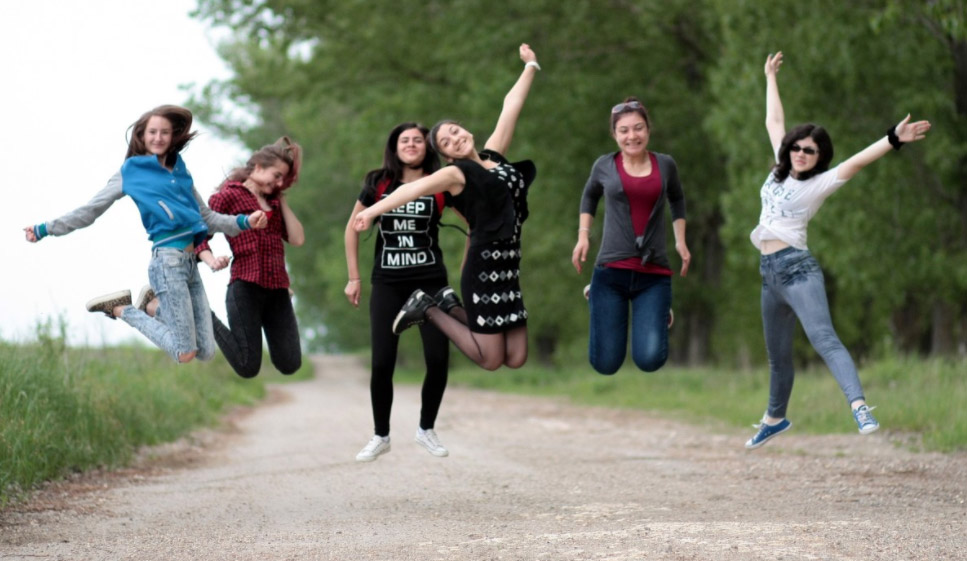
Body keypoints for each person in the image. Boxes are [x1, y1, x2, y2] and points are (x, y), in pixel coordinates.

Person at [744, 52, 931, 449]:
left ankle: (860, 406)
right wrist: (770, 78)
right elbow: (773, 121)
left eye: (809, 151)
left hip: (797, 271)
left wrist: (894, 138)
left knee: (824, 339)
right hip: (769, 276)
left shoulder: (820, 183)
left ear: (819, 158)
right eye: (797, 147)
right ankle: (774, 418)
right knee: (778, 357)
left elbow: (857, 162)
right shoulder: (779, 168)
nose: (800, 153)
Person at [24, 105, 267, 363]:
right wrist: (45, 228)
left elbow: (207, 218)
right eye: (152, 132)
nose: (158, 138)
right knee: (185, 352)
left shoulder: (180, 171)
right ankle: (123, 309)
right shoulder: (131, 172)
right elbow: (90, 210)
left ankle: (151, 305)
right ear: (142, 135)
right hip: (167, 263)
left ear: (173, 136)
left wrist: (245, 221)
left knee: (205, 352)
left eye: (164, 132)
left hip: (190, 265)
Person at [352, 43, 540, 373]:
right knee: (492, 359)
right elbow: (413, 189)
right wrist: (370, 212)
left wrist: (530, 66)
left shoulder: (494, 156)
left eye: (455, 131)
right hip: (484, 269)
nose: (455, 139)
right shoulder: (454, 174)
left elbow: (511, 106)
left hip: (510, 266)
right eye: (446, 143)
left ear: (465, 130)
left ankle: (450, 306)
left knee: (517, 357)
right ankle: (429, 309)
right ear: (447, 155)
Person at [345, 122, 460, 462]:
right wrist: (354, 277)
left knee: (438, 359)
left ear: (428, 148)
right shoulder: (377, 182)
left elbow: (476, 226)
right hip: (388, 282)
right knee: (382, 362)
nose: (411, 145)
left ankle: (427, 429)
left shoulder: (443, 182)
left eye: (418, 141)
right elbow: (352, 228)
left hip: (431, 281)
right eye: (404, 140)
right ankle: (381, 435)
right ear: (394, 147)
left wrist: (471, 272)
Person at [570, 97, 690, 375]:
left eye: (638, 128)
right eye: (624, 130)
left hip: (654, 273)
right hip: (611, 271)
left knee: (650, 360)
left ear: (648, 130)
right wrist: (583, 236)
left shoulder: (666, 165)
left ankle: (659, 313)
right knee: (605, 364)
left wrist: (680, 241)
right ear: (614, 134)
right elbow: (589, 196)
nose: (632, 136)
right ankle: (596, 294)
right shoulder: (604, 165)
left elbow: (677, 198)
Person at [185, 136, 306, 378]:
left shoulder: (274, 202)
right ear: (258, 168)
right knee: (247, 366)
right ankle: (202, 314)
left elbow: (297, 238)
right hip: (246, 286)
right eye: (277, 175)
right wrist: (210, 260)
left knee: (290, 363)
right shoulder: (228, 196)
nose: (280, 182)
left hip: (278, 290)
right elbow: (200, 235)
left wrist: (280, 199)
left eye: (283, 178)